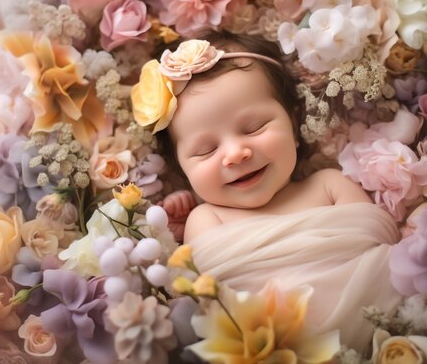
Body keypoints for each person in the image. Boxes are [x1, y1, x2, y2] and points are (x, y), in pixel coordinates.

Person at [130, 32, 402, 350]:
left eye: (254, 128)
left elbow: (384, 255)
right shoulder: (206, 216)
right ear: (181, 170)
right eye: (205, 150)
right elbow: (211, 303)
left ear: (294, 123)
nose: (235, 153)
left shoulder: (329, 185)